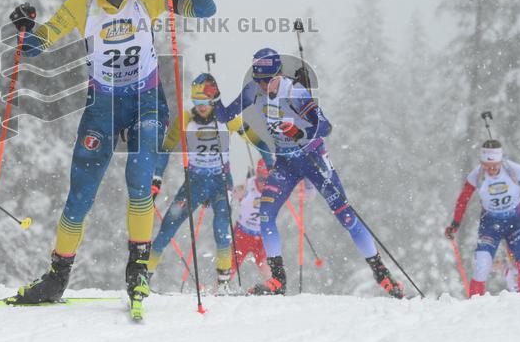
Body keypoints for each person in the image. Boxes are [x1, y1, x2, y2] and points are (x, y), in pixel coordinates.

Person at [5, 0, 215, 317]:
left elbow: (205, 9)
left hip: (146, 103)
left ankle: (137, 271)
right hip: (102, 107)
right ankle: (56, 276)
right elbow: (40, 44)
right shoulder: (81, 4)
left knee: (139, 181)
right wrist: (24, 29)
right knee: (80, 196)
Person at [216, 48, 403, 297]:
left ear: (279, 75)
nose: (262, 86)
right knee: (266, 214)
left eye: (267, 80)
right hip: (286, 164)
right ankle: (278, 280)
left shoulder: (296, 93)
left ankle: (381, 272)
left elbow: (325, 126)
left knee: (346, 216)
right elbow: (225, 115)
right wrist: (213, 96)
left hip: (313, 159)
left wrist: (298, 130)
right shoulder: (252, 90)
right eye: (258, 80)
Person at [146, 73, 268, 293]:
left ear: (214, 100)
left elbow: (256, 140)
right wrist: (156, 177)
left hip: (221, 182)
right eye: (197, 102)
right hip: (195, 182)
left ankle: (223, 284)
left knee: (222, 230)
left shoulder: (228, 119)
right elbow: (166, 148)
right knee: (168, 226)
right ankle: (144, 276)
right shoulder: (185, 119)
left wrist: (271, 161)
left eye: (205, 102)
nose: (201, 107)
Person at [444, 139, 520, 296]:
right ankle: (474, 308)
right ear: (481, 163)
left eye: (495, 166)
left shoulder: (513, 170)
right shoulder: (476, 175)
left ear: (501, 161)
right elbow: (463, 200)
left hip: (516, 221)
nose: (491, 170)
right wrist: (455, 224)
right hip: (490, 225)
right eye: (487, 166)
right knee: (482, 265)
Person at [230, 159, 273, 288]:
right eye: (260, 179)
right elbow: (235, 194)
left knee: (265, 267)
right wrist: (238, 190)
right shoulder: (248, 184)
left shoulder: (273, 187)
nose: (263, 184)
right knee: (230, 267)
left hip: (261, 236)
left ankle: (274, 290)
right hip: (242, 234)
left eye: (266, 180)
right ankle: (217, 291)